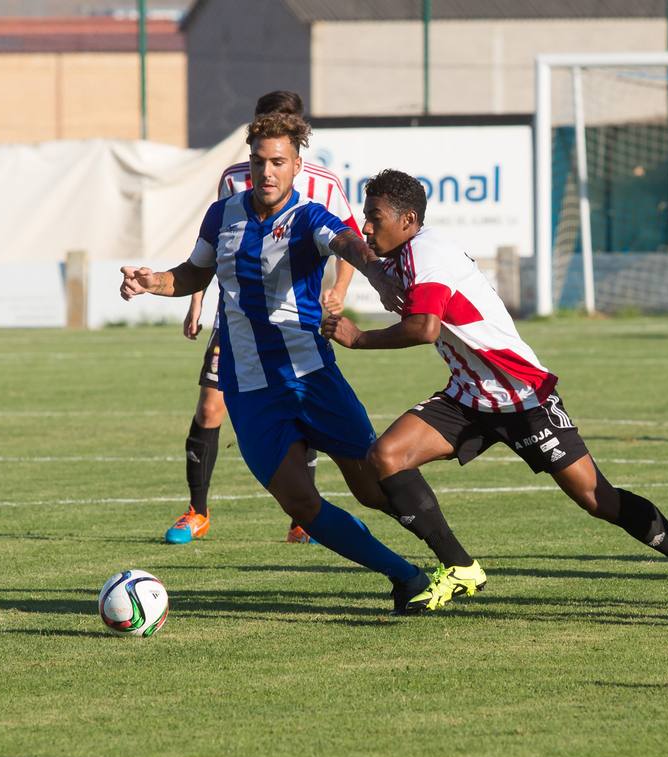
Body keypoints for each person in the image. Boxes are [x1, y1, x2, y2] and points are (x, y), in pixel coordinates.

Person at [321, 169, 668, 618]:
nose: (368, 226)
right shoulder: (403, 249)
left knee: (598, 499)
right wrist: (345, 249)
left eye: (376, 217)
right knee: (387, 456)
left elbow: (424, 329)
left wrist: (359, 338)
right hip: (469, 396)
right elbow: (357, 247)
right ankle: (460, 566)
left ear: (408, 219)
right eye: (366, 216)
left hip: (522, 396)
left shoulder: (428, 254)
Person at [121, 113, 435, 611]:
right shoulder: (221, 215)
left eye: (278, 162)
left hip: (312, 379)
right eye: (258, 161)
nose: (267, 172)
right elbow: (191, 274)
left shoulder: (309, 217)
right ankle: (406, 578)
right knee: (302, 504)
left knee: (374, 487)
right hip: (248, 391)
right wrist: (152, 281)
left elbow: (346, 241)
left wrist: (375, 272)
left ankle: (455, 559)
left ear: (296, 166)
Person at [168, 90, 359, 545]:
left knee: (300, 409)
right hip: (235, 323)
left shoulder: (324, 184)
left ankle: (302, 513)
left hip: (295, 325)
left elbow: (347, 238)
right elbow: (214, 249)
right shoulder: (234, 180)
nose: (267, 166)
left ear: (297, 143)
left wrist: (340, 289)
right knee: (209, 406)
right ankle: (197, 511)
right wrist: (196, 302)